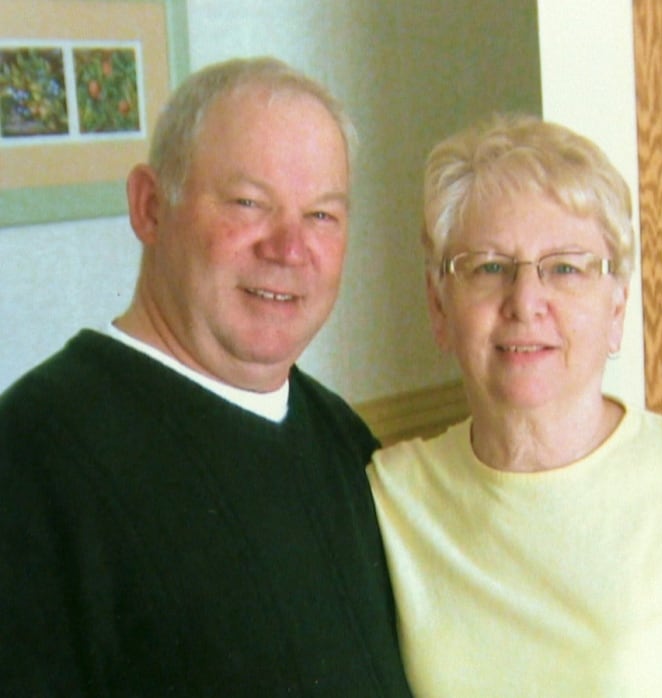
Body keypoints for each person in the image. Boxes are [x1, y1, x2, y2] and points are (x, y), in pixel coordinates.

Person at [0, 57, 412, 697]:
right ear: (149, 208)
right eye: (249, 203)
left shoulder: (344, 440)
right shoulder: (31, 458)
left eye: (322, 216)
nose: (289, 248)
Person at [367, 114, 662, 697]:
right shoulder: (390, 497)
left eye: (565, 267)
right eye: (489, 268)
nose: (526, 301)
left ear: (616, 307)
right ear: (440, 308)